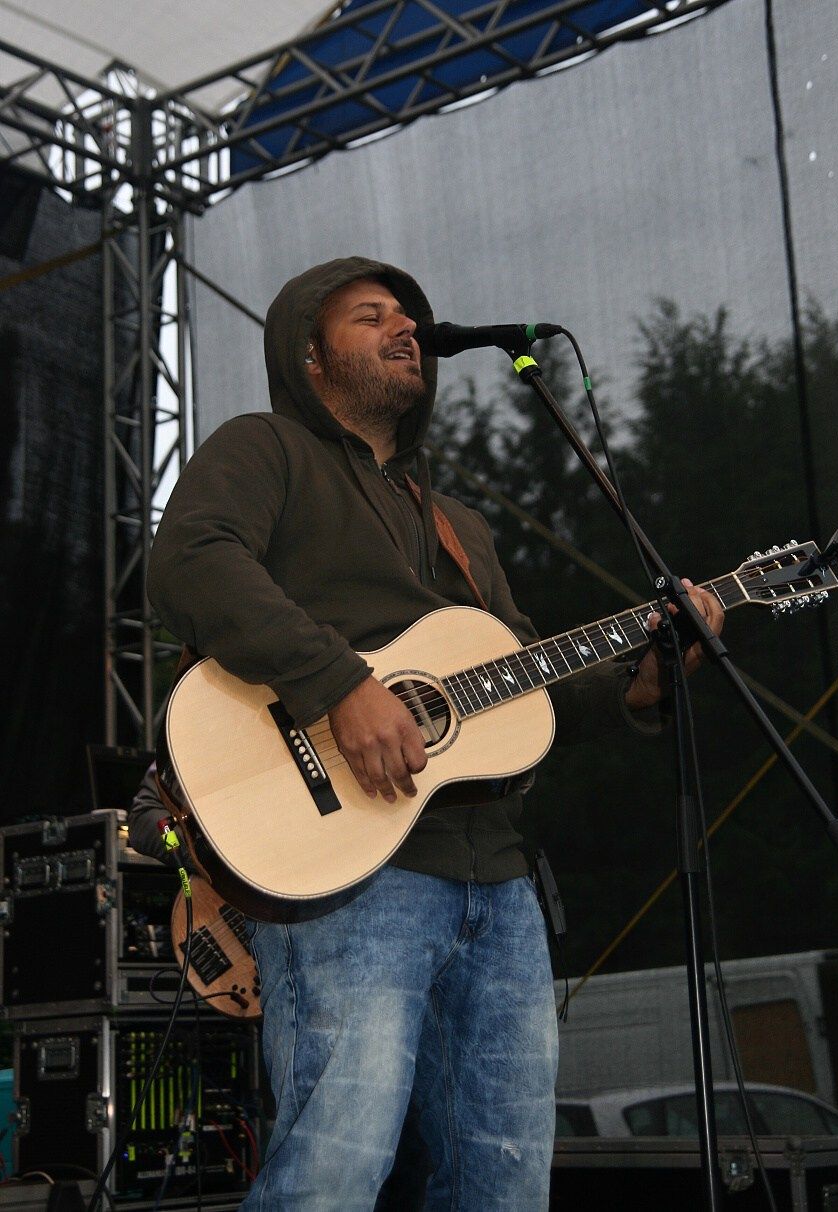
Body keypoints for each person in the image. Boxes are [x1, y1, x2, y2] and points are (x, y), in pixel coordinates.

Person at [145, 256, 723, 1210]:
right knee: (332, 1175)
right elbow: (191, 561)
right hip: (349, 877)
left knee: (505, 1182)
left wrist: (639, 685)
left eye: (408, 316)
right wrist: (340, 684)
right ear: (310, 356)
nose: (406, 327)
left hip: (498, 886)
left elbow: (525, 686)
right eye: (371, 316)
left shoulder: (459, 526)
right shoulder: (266, 449)